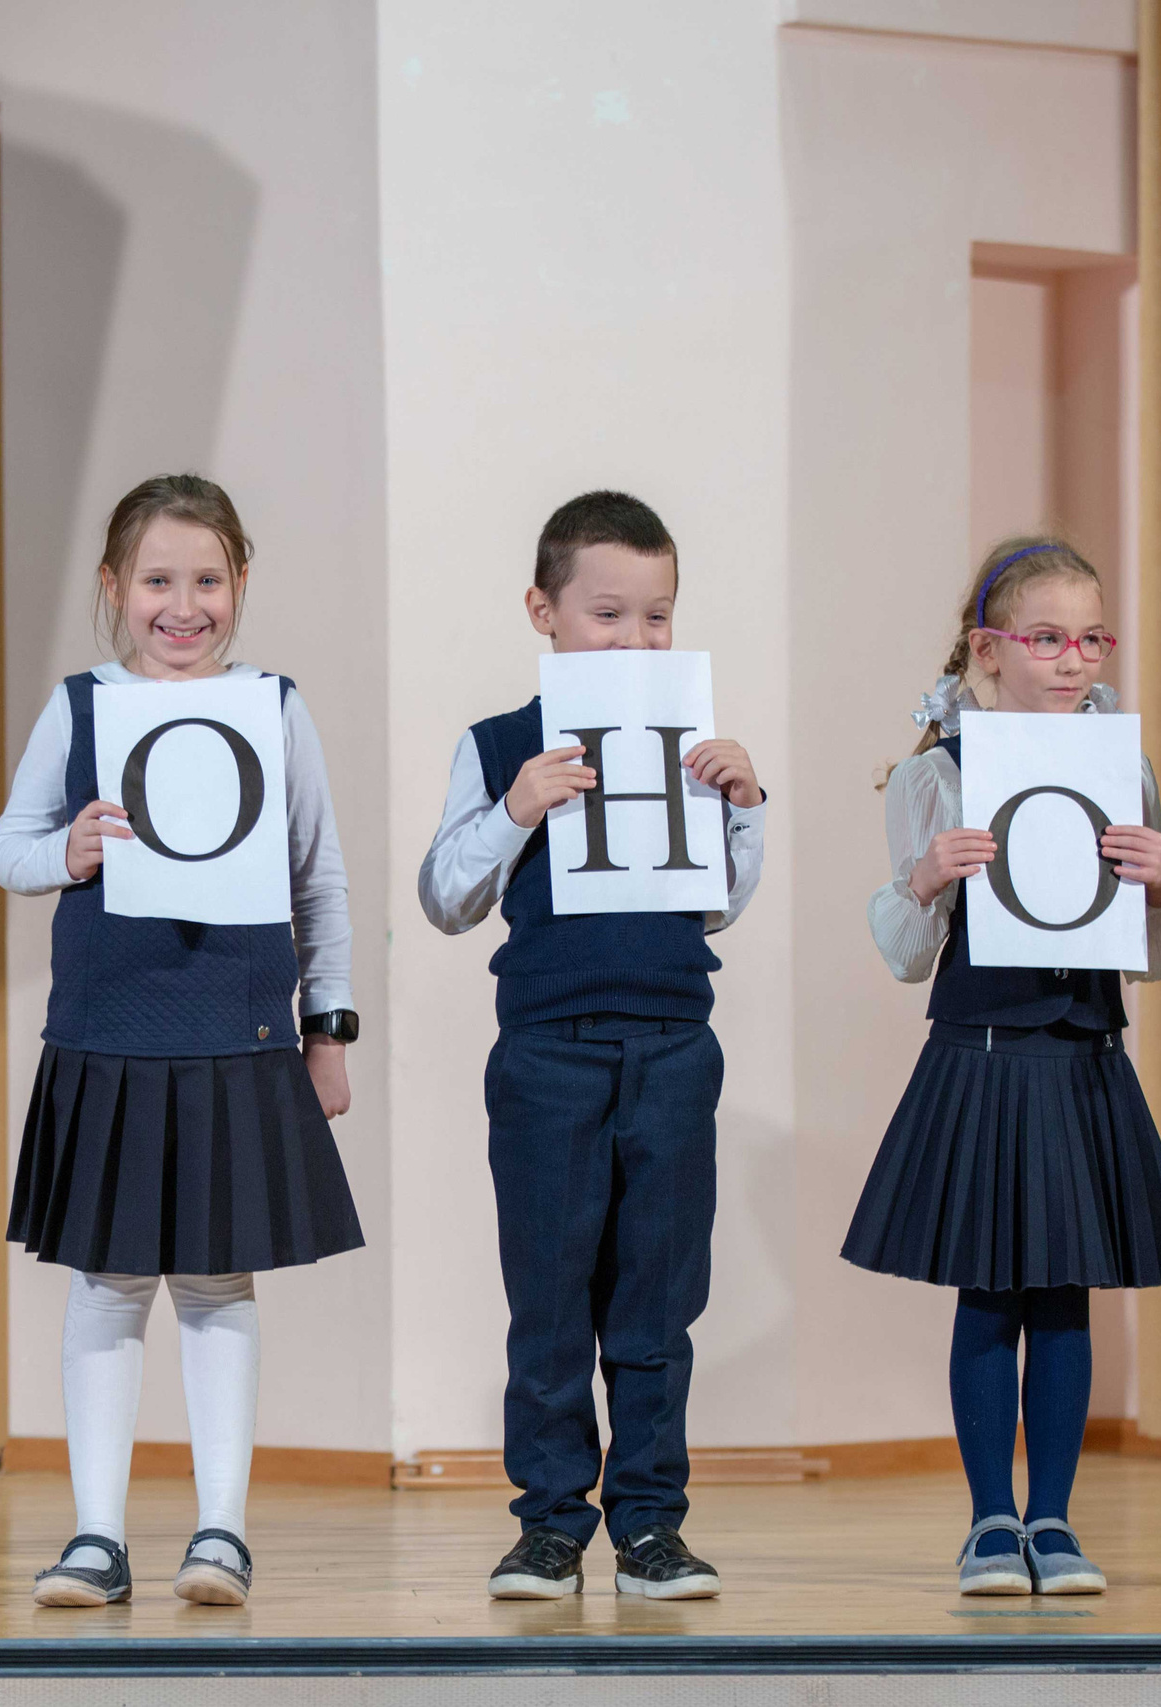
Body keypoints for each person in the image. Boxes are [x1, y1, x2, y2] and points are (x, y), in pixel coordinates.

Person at [0, 473, 363, 1609]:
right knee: (108, 1282)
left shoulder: (275, 705)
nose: (182, 604)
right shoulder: (80, 707)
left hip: (237, 1030)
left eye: (207, 579)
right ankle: (96, 1536)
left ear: (239, 583)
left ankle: (220, 1534)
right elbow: (8, 850)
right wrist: (72, 854)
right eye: (157, 580)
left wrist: (328, 1026)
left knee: (214, 1281)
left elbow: (320, 877)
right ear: (114, 587)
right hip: (107, 1032)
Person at [419, 490, 765, 1602]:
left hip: (671, 1043)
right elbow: (443, 896)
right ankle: (549, 1527)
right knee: (551, 1302)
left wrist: (742, 805)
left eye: (656, 617)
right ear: (544, 609)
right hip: (547, 1054)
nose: (635, 640)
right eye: (607, 613)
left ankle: (653, 1528)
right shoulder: (498, 746)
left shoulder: (691, 746)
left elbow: (714, 908)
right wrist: (517, 807)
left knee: (658, 1305)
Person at [843, 535, 1161, 1597]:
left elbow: (1151, 951)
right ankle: (988, 1523)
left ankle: (1052, 1520)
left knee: (1062, 1297)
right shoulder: (937, 771)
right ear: (987, 649)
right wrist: (924, 880)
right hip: (986, 1055)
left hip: (1083, 1051)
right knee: (989, 1293)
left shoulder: (1119, 764)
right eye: (1047, 637)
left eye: (1092, 637)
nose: (1074, 658)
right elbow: (906, 955)